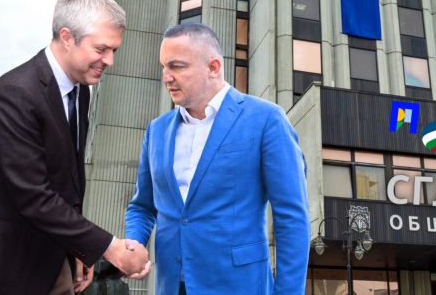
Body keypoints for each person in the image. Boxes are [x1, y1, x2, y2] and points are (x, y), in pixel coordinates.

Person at [0, 0, 150, 295]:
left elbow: (66, 185)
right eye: (101, 49)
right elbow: (34, 196)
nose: (109, 60)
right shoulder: (16, 94)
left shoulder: (80, 93)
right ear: (67, 37)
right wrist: (108, 248)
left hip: (45, 255)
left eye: (114, 50)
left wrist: (77, 248)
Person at [125, 23, 310, 294]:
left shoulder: (266, 120)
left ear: (213, 67)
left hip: (239, 286)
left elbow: (292, 217)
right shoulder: (156, 130)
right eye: (163, 67)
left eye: (176, 66)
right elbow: (142, 206)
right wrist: (134, 244)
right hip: (171, 286)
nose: (166, 77)